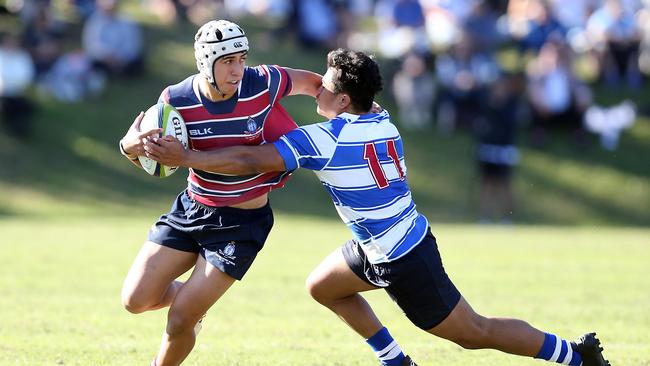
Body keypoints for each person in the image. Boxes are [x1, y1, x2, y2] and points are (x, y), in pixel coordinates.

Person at [143, 48, 611, 366]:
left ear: (343, 99)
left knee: (474, 332)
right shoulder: (378, 117)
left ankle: (574, 354)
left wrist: (185, 157)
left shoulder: (328, 140)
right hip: (375, 244)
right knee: (323, 287)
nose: (316, 91)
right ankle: (395, 359)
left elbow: (250, 159)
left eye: (323, 88)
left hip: (405, 257)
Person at [118, 19, 321, 366]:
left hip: (243, 223)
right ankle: (195, 302)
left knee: (179, 320)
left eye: (242, 59)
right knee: (135, 300)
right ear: (206, 62)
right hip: (192, 210)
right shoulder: (175, 99)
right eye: (228, 61)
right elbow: (159, 163)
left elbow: (316, 84)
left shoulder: (262, 81)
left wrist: (356, 107)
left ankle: (186, 318)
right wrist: (129, 147)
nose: (238, 69)